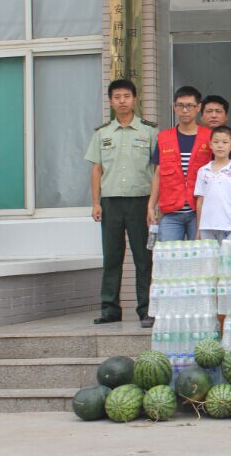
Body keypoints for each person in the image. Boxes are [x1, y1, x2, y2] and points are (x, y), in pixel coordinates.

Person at [84, 79, 158, 327]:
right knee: (112, 257)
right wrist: (95, 202)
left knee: (143, 258)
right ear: (110, 101)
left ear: (135, 99)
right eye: (117, 97)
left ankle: (146, 309)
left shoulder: (150, 131)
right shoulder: (102, 133)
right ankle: (110, 309)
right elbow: (96, 169)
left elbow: (157, 170)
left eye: (126, 96)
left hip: (140, 202)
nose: (122, 101)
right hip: (111, 202)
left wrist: (153, 205)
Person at [147, 86, 212, 242]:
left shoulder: (210, 137)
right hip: (171, 212)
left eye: (189, 106)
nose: (184, 110)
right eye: (180, 105)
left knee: (200, 254)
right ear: (174, 107)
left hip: (200, 211)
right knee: (169, 254)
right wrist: (151, 206)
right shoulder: (164, 138)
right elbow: (158, 174)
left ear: (198, 108)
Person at [195, 126, 231, 243]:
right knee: (208, 254)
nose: (220, 145)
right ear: (210, 144)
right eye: (216, 142)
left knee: (228, 254)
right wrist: (199, 227)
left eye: (225, 142)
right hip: (206, 226)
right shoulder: (203, 171)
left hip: (229, 226)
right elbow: (200, 200)